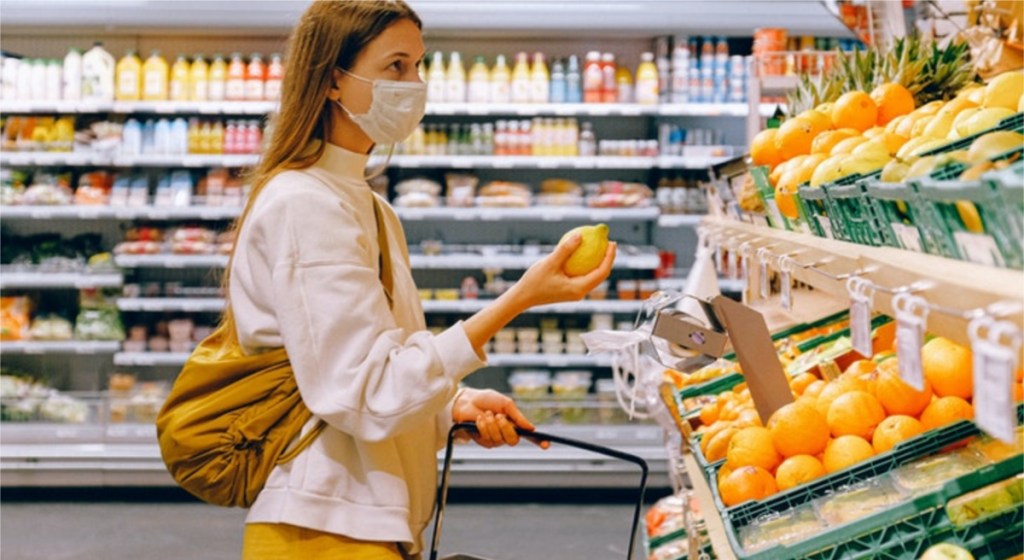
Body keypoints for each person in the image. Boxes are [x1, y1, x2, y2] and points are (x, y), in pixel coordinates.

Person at [229, 1, 616, 558]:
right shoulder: (304, 205)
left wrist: (449, 404)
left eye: (418, 66)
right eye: (396, 67)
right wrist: (518, 299)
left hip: (371, 522)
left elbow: (377, 366)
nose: (415, 84)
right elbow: (364, 392)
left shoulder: (369, 206)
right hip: (323, 527)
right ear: (334, 80)